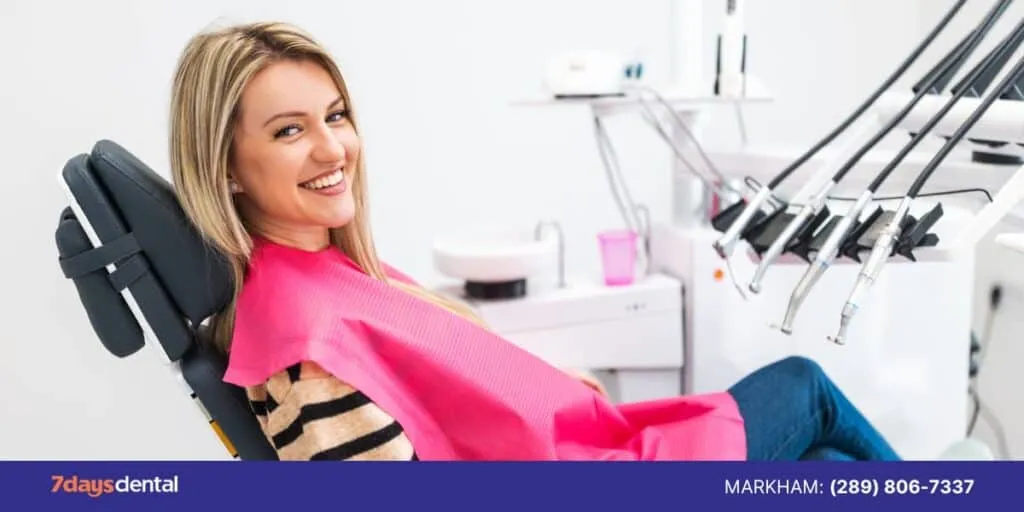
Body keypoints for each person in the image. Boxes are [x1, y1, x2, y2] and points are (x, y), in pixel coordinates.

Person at [168, 21, 901, 462]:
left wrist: (555, 390)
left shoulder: (319, 271)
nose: (334, 149)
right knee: (805, 389)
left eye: (336, 116)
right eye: (289, 131)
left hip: (576, 453)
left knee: (827, 465)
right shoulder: (304, 345)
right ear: (225, 165)